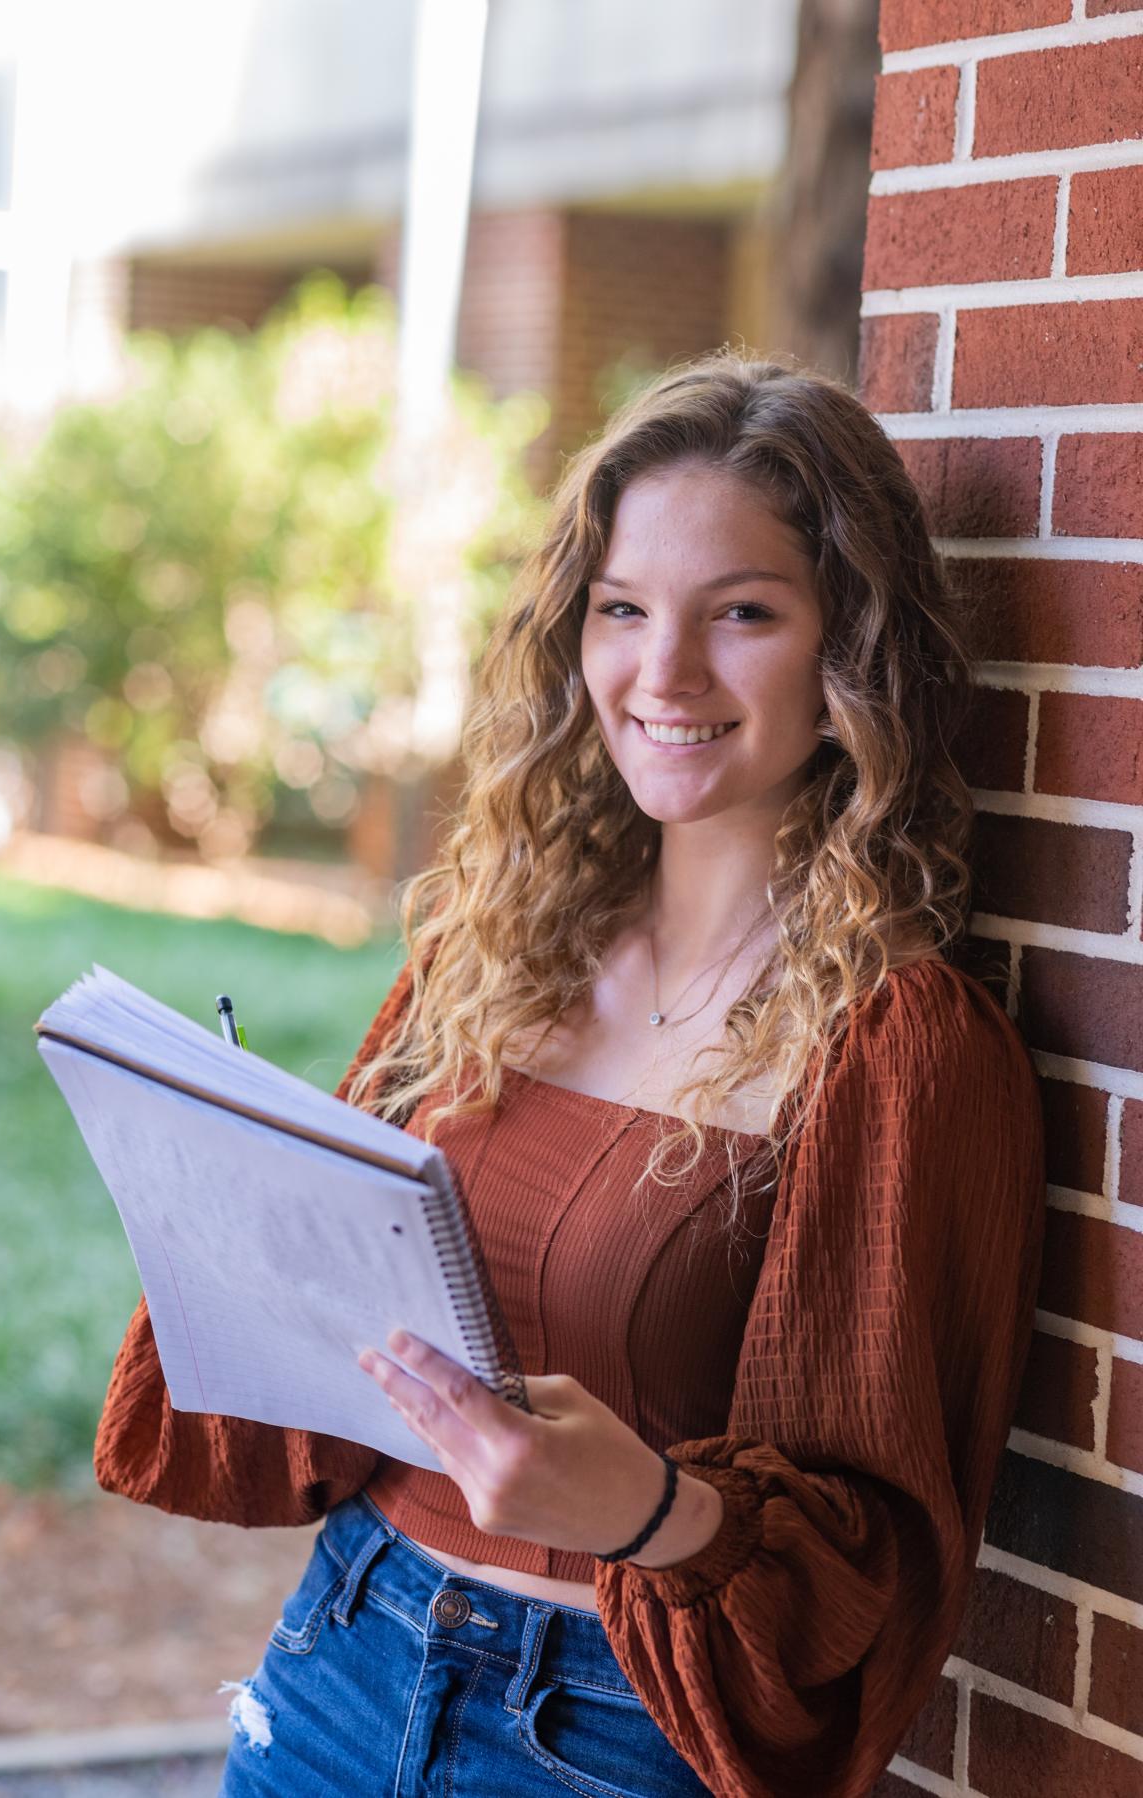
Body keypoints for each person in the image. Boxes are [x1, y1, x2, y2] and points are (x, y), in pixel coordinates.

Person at [93, 350, 1046, 1798]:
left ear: (848, 648)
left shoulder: (900, 1047)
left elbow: (884, 1557)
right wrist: (220, 1209)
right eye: (621, 610)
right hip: (341, 1663)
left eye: (741, 613)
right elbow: (311, 1381)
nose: (662, 675)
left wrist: (655, 1507)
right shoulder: (498, 948)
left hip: (602, 1733)